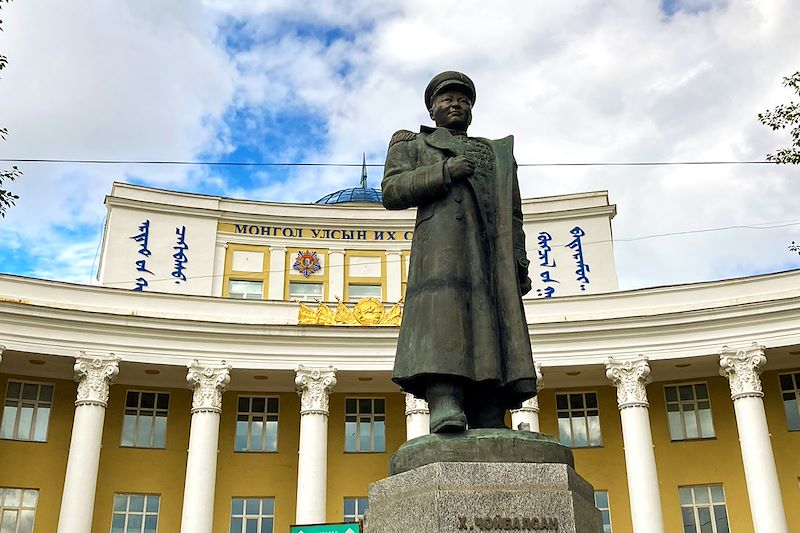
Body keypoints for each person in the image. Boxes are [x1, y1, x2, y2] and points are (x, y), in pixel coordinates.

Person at [382, 71, 538, 433]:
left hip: (491, 255)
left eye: (463, 100)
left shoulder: (496, 153)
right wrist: (444, 170)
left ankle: (489, 408)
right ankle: (445, 401)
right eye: (447, 99)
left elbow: (513, 213)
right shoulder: (413, 144)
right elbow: (392, 190)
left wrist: (518, 258)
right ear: (432, 108)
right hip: (443, 249)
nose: (456, 104)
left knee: (491, 323)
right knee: (445, 319)